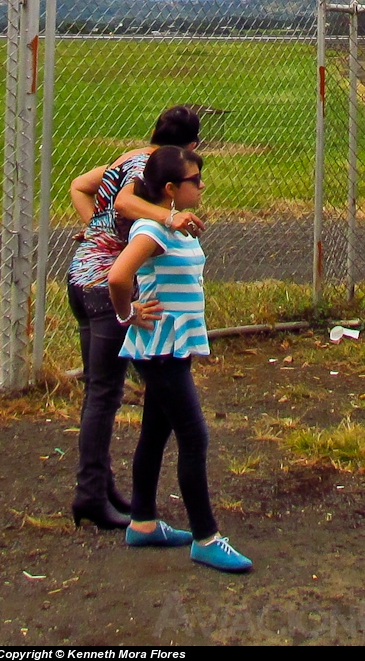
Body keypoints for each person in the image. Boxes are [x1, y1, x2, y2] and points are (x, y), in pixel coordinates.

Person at [108, 146, 252, 572]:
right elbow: (118, 276)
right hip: (160, 350)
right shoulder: (151, 231)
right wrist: (127, 313)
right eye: (195, 180)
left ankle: (143, 522)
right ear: (170, 189)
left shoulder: (175, 227)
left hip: (174, 345)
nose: (202, 185)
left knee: (155, 432)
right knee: (194, 437)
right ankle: (206, 537)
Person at [68, 105, 205, 530]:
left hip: (80, 275)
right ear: (190, 148)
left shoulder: (126, 156)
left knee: (98, 390)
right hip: (106, 282)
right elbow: (127, 202)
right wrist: (167, 216)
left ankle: (101, 484)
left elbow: (79, 185)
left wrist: (97, 226)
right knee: (105, 392)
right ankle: (91, 494)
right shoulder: (148, 167)